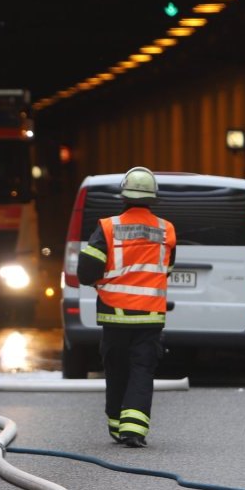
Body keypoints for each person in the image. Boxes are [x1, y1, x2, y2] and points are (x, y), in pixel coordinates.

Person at [76, 166, 177, 446]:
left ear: (123, 197)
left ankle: (117, 423)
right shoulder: (166, 230)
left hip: (114, 314)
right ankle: (133, 429)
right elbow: (166, 269)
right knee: (142, 369)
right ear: (153, 198)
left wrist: (102, 280)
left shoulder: (108, 228)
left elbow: (86, 271)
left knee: (117, 367)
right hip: (150, 316)